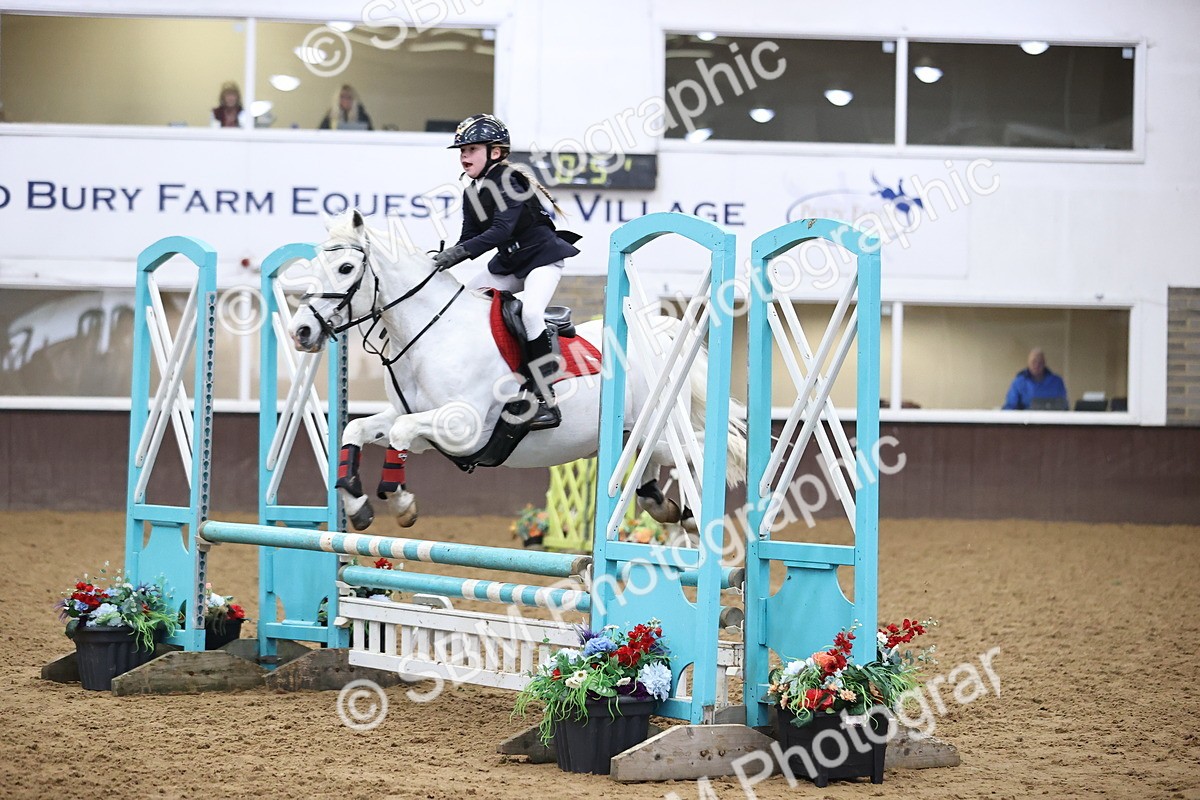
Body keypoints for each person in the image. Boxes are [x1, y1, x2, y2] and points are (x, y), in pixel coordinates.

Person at [432, 113, 581, 430]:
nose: (464, 156)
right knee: (461, 300)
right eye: (461, 151)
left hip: (542, 258)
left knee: (530, 313)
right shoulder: (472, 191)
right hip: (510, 264)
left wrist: (459, 253)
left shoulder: (510, 181)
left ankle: (545, 399)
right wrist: (437, 263)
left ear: (495, 152)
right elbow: (469, 239)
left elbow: (500, 231)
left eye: (471, 149)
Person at [1003, 347, 1069, 410]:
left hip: (1052, 420)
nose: (1037, 365)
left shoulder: (1057, 382)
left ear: (1044, 363)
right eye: (1034, 362)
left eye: (1040, 362)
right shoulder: (1018, 382)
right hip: (1026, 420)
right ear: (1028, 363)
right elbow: (1010, 407)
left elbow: (1064, 406)